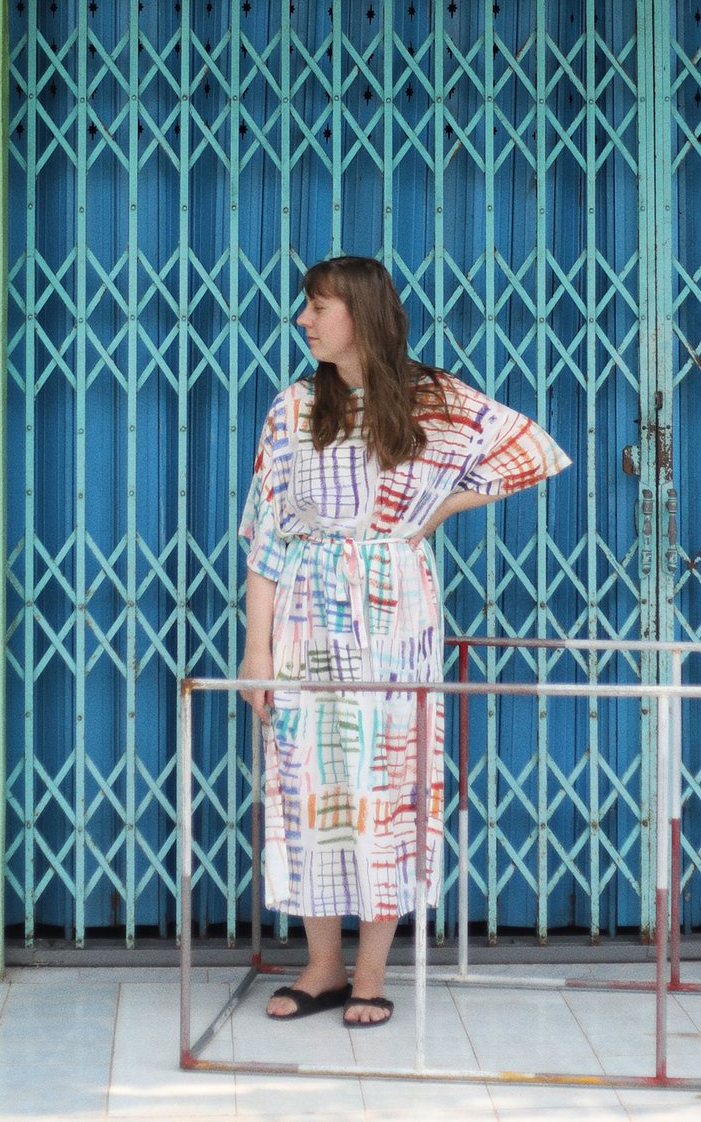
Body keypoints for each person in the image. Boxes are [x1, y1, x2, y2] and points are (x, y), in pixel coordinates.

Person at [238, 256, 569, 1027]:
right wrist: (257, 652)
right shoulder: (293, 408)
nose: (304, 321)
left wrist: (442, 508)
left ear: (359, 311)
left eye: (317, 307)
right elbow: (263, 536)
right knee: (309, 784)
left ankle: (371, 975)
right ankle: (321, 967)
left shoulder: (433, 399)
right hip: (306, 611)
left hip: (395, 617)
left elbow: (532, 451)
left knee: (387, 783)